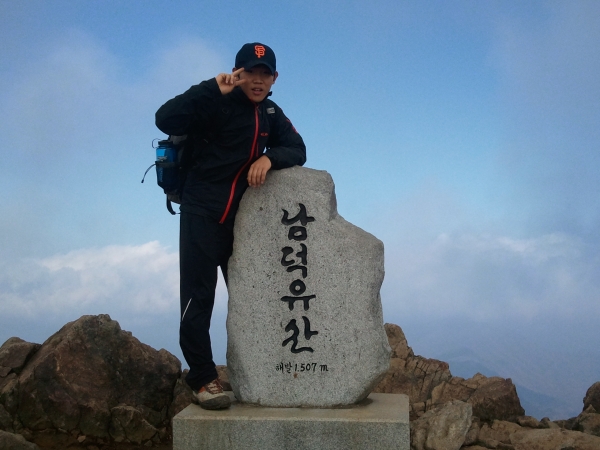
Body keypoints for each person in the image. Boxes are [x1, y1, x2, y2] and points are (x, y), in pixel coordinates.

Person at [155, 43, 306, 410]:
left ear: (275, 78)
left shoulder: (270, 113)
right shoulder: (215, 102)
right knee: (199, 297)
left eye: (265, 73)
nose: (257, 80)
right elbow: (165, 118)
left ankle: (262, 372)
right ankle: (203, 378)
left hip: (241, 223)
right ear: (237, 73)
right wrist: (211, 87)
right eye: (250, 72)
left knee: (252, 297)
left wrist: (270, 158)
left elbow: (298, 148)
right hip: (202, 213)